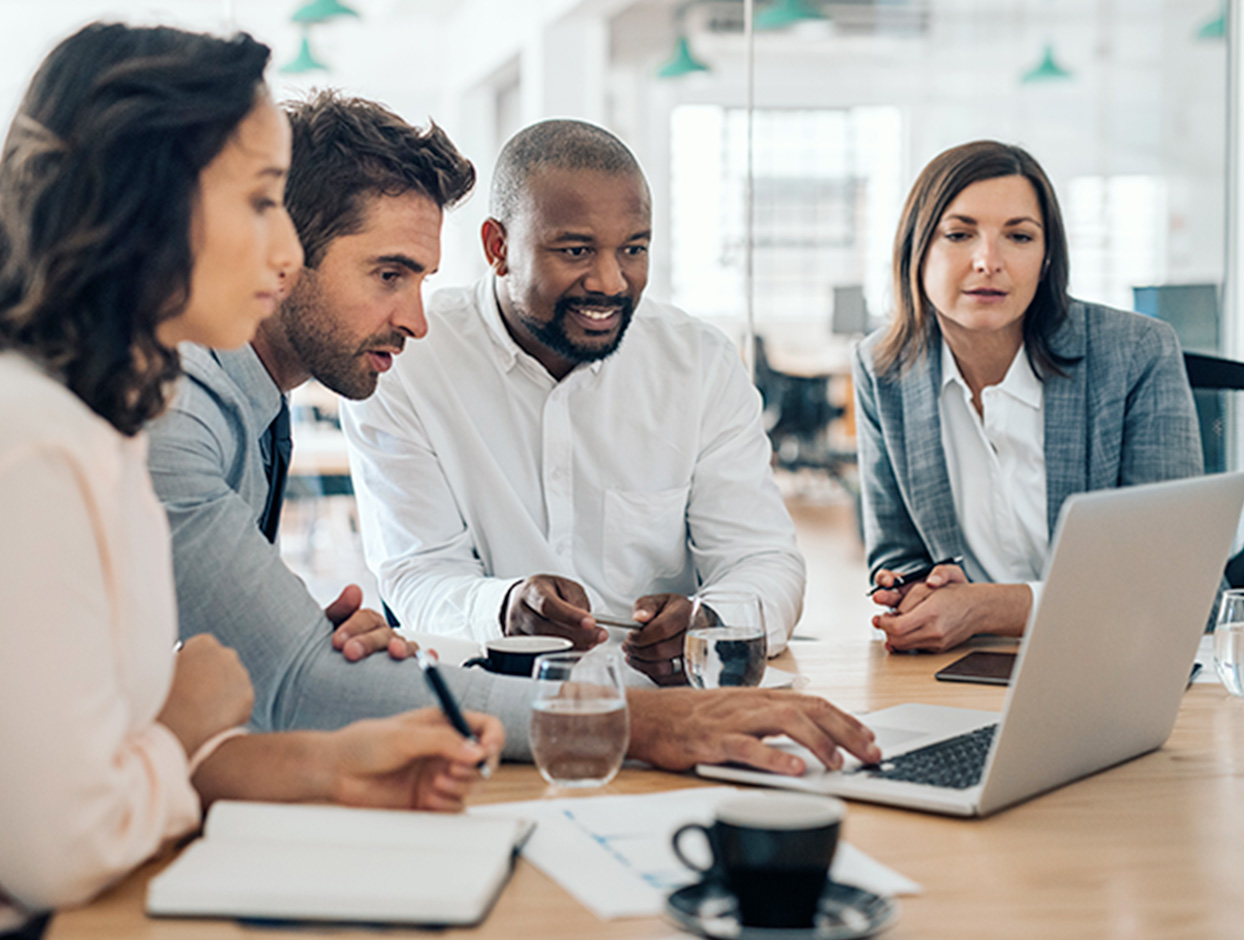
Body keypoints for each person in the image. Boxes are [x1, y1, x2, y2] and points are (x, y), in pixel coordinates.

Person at [145, 96, 878, 771]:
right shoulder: (178, 411)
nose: (415, 320)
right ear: (277, 250)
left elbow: (266, 671)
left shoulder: (249, 403)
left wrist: (317, 645)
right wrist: (636, 722)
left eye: (633, 249)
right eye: (389, 275)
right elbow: (304, 680)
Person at [0, 25, 504, 938]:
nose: (286, 251)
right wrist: (184, 721)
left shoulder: (100, 424)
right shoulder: (37, 439)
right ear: (147, 204)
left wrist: (332, 765)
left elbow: (95, 750)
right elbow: (55, 846)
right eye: (262, 201)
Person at [341, 118, 806, 687]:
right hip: (494, 705)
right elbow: (417, 574)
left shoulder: (699, 364)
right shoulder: (411, 358)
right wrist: (504, 607)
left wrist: (710, 623)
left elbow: (764, 562)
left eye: (633, 248)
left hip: (670, 708)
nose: (611, 281)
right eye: (576, 250)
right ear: (498, 248)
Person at [854, 140, 1202, 654]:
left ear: (1045, 259)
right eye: (959, 234)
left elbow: (1169, 575)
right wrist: (914, 591)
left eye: (1019, 236)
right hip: (966, 663)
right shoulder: (883, 368)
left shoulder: (1136, 353)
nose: (987, 261)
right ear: (915, 250)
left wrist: (989, 606)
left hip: (1120, 654)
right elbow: (899, 554)